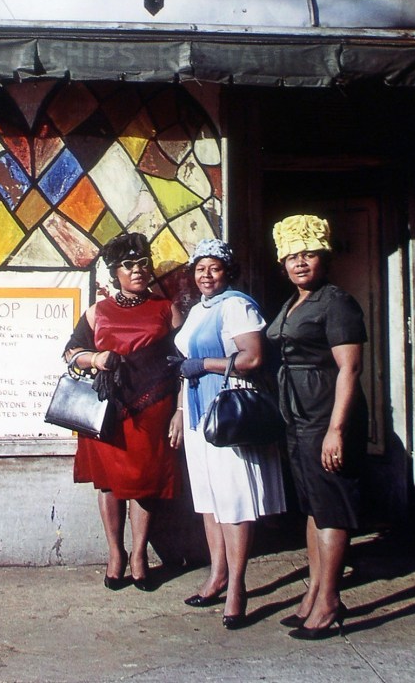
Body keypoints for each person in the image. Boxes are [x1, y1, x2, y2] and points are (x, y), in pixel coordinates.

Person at [169, 238, 287, 629]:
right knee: (209, 500)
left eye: (214, 268)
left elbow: (252, 358)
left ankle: (237, 586)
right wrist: (180, 410)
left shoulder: (237, 305)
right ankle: (217, 574)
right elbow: (186, 363)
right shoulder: (199, 310)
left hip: (229, 411)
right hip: (198, 412)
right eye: (200, 268)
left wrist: (205, 364)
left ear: (227, 272)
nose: (206, 275)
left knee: (233, 501)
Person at [266, 214, 368, 640]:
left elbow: (350, 368)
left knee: (331, 509)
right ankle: (314, 594)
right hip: (298, 418)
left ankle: (329, 603)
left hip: (326, 417)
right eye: (291, 256)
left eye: (308, 254)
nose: (299, 262)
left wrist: (336, 429)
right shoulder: (294, 303)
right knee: (312, 508)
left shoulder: (336, 302)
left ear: (323, 256)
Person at [64, 233, 183, 591]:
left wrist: (179, 409)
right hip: (107, 410)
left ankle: (139, 556)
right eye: (129, 266)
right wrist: (95, 358)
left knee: (146, 485)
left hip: (152, 410)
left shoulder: (167, 309)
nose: (138, 271)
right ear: (115, 272)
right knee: (109, 485)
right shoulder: (96, 312)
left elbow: (182, 362)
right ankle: (116, 554)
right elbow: (71, 353)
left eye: (143, 264)